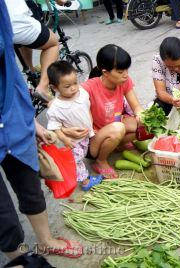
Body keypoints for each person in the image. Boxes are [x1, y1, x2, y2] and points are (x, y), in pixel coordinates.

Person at [0, 1, 83, 265]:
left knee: (29, 183)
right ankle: (18, 256)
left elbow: (11, 71)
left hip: (13, 117)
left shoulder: (4, 10)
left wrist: (31, 121)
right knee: (1, 208)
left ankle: (46, 241)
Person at [80, 44, 144, 179]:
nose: (125, 75)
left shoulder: (124, 81)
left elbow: (136, 107)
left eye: (126, 70)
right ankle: (100, 161)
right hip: (94, 140)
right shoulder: (89, 87)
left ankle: (117, 145)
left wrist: (141, 115)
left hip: (114, 126)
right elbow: (67, 98)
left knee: (146, 126)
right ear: (105, 72)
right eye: (120, 72)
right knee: (118, 128)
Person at [46, 61, 103, 191]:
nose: (73, 88)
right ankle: (85, 182)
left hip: (85, 135)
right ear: (55, 88)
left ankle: (68, 172)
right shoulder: (56, 108)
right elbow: (55, 127)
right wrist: (65, 139)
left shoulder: (82, 93)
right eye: (67, 86)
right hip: (72, 141)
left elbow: (87, 108)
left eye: (75, 83)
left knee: (80, 157)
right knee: (76, 160)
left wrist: (91, 125)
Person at [5, 0, 66, 102]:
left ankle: (31, 72)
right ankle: (43, 87)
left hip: (5, 30)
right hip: (15, 23)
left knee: (26, 39)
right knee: (53, 43)